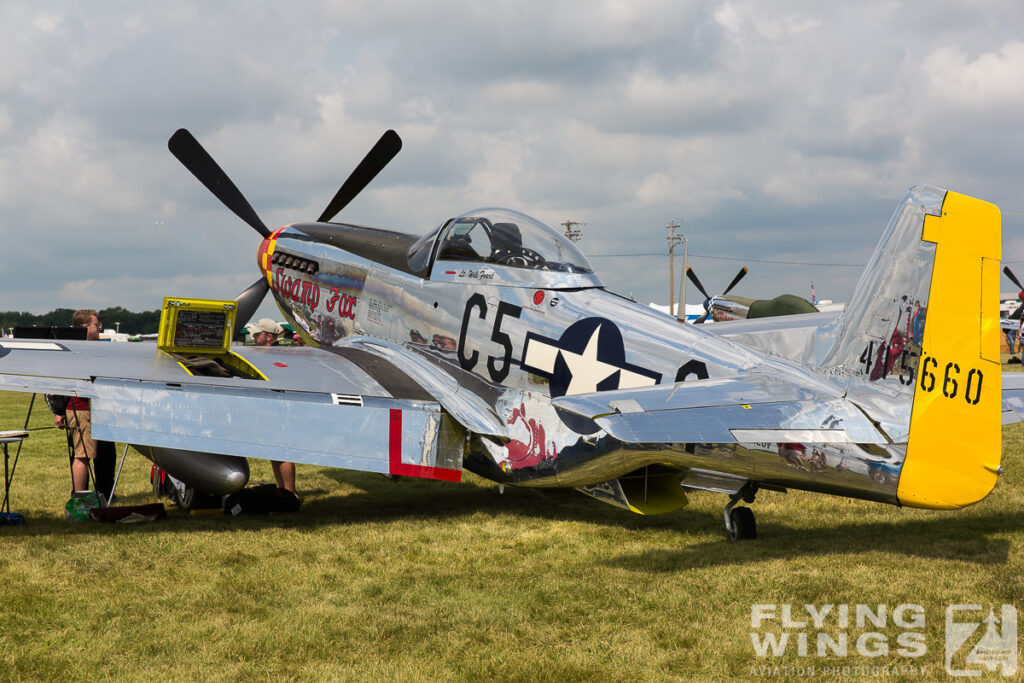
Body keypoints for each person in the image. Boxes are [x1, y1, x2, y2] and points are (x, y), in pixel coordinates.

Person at [47, 310, 116, 497]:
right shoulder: (72, 350)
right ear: (85, 327)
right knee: (83, 455)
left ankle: (104, 493)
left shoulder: (101, 348)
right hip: (82, 408)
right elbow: (58, 382)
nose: (100, 327)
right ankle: (81, 496)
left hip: (101, 409)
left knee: (106, 454)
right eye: (96, 324)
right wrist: (58, 411)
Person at [244, 318, 296, 493]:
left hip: (279, 406)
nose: (254, 337)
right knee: (274, 452)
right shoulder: (269, 353)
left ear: (267, 336)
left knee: (282, 451)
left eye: (257, 334)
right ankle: (282, 491)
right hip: (272, 406)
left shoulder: (277, 354)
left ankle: (289, 493)